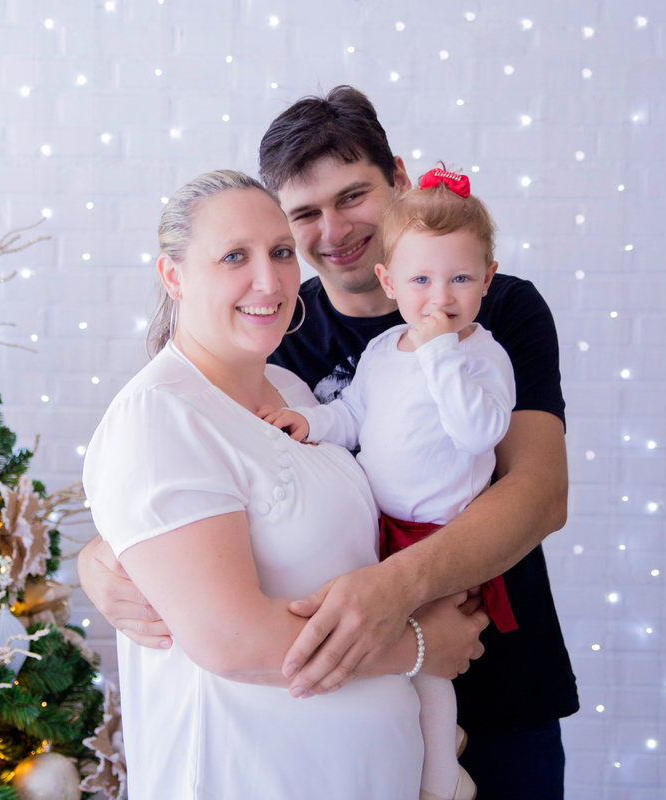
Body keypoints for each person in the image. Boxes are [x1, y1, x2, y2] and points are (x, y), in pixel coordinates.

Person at [80, 86, 578, 800]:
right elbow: (188, 478)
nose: (333, 230)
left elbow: (539, 493)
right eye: (304, 216)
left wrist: (397, 596)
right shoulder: (276, 332)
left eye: (352, 197)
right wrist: (102, 557)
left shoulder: (492, 309)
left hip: (493, 660)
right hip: (343, 695)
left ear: (398, 179)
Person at [263, 169, 516, 800]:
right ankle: (405, 764)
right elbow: (352, 415)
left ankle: (441, 779)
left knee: (427, 667)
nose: (440, 299)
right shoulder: (381, 351)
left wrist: (440, 353)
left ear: (488, 278)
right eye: (421, 281)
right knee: (382, 665)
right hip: (373, 528)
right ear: (389, 281)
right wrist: (310, 422)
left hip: (437, 540)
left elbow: (478, 432)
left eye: (461, 279)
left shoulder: (482, 356)